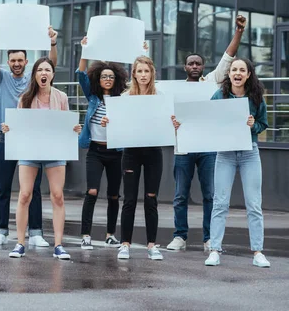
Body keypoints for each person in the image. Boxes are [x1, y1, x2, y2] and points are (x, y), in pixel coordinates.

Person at [167, 15, 247, 252]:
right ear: (185, 67)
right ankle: (179, 236)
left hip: (208, 149)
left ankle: (209, 238)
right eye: (190, 63)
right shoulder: (175, 89)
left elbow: (228, 57)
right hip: (182, 148)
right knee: (180, 196)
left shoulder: (211, 81)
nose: (194, 67)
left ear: (202, 67)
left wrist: (239, 32)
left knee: (210, 196)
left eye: (198, 64)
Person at [0, 21, 58, 247]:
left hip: (31, 139)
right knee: (3, 187)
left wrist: (52, 41)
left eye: (20, 60)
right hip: (7, 137)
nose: (16, 64)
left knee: (33, 188)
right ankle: (1, 231)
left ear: (26, 62)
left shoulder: (34, 78)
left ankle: (36, 233)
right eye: (12, 60)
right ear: (8, 62)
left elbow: (51, 62)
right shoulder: (2, 77)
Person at [2, 57, 81, 260]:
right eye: (40, 70)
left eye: (47, 70)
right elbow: (18, 125)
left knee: (57, 195)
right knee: (25, 195)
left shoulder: (61, 97)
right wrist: (8, 128)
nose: (43, 73)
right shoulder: (25, 98)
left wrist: (74, 128)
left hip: (55, 150)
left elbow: (66, 123)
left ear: (52, 75)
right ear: (35, 74)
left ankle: (58, 245)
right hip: (30, 150)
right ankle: (20, 243)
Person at [205, 58, 270, 268]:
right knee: (220, 203)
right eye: (234, 70)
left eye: (242, 70)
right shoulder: (219, 96)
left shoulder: (257, 97)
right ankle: (215, 250)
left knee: (254, 204)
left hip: (250, 153)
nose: (238, 73)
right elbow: (208, 120)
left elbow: (263, 124)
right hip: (225, 154)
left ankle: (258, 252)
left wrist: (253, 125)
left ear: (248, 74)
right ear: (229, 74)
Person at [109, 56, 164, 261]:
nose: (143, 75)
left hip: (153, 152)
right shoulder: (125, 98)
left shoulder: (160, 96)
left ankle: (152, 245)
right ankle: (125, 244)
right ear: (134, 74)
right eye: (139, 71)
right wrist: (110, 121)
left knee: (151, 198)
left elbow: (167, 121)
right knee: (129, 199)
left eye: (146, 71)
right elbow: (118, 124)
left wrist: (173, 123)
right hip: (131, 152)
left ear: (152, 74)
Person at [78, 36, 128, 250]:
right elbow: (80, 75)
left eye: (111, 76)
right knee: (92, 191)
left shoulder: (123, 99)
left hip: (116, 152)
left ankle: (110, 234)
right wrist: (84, 50)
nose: (107, 79)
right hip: (95, 151)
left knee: (115, 195)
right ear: (98, 78)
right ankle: (86, 235)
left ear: (116, 79)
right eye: (104, 76)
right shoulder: (93, 98)